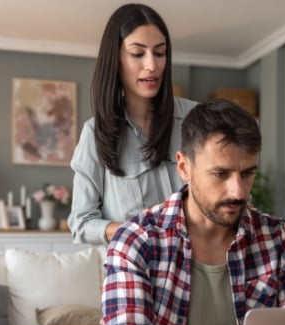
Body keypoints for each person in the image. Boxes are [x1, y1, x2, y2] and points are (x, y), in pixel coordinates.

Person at [102, 99, 285, 325]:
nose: (238, 192)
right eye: (220, 174)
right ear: (184, 167)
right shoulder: (135, 240)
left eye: (247, 173)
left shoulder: (278, 240)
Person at [69, 3, 197, 244]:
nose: (152, 65)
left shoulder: (197, 120)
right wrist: (136, 231)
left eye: (159, 53)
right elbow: (81, 224)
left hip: (195, 265)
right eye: (138, 54)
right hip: (134, 266)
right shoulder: (95, 134)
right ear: (115, 59)